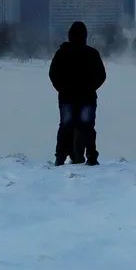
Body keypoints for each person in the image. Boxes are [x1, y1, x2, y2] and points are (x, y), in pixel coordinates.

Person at [48, 21, 107, 166]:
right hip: (87, 97)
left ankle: (61, 157)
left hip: (67, 97)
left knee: (66, 127)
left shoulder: (62, 53)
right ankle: (91, 157)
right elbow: (101, 75)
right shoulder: (91, 53)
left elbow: (53, 74)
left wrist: (62, 88)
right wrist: (90, 87)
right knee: (87, 127)